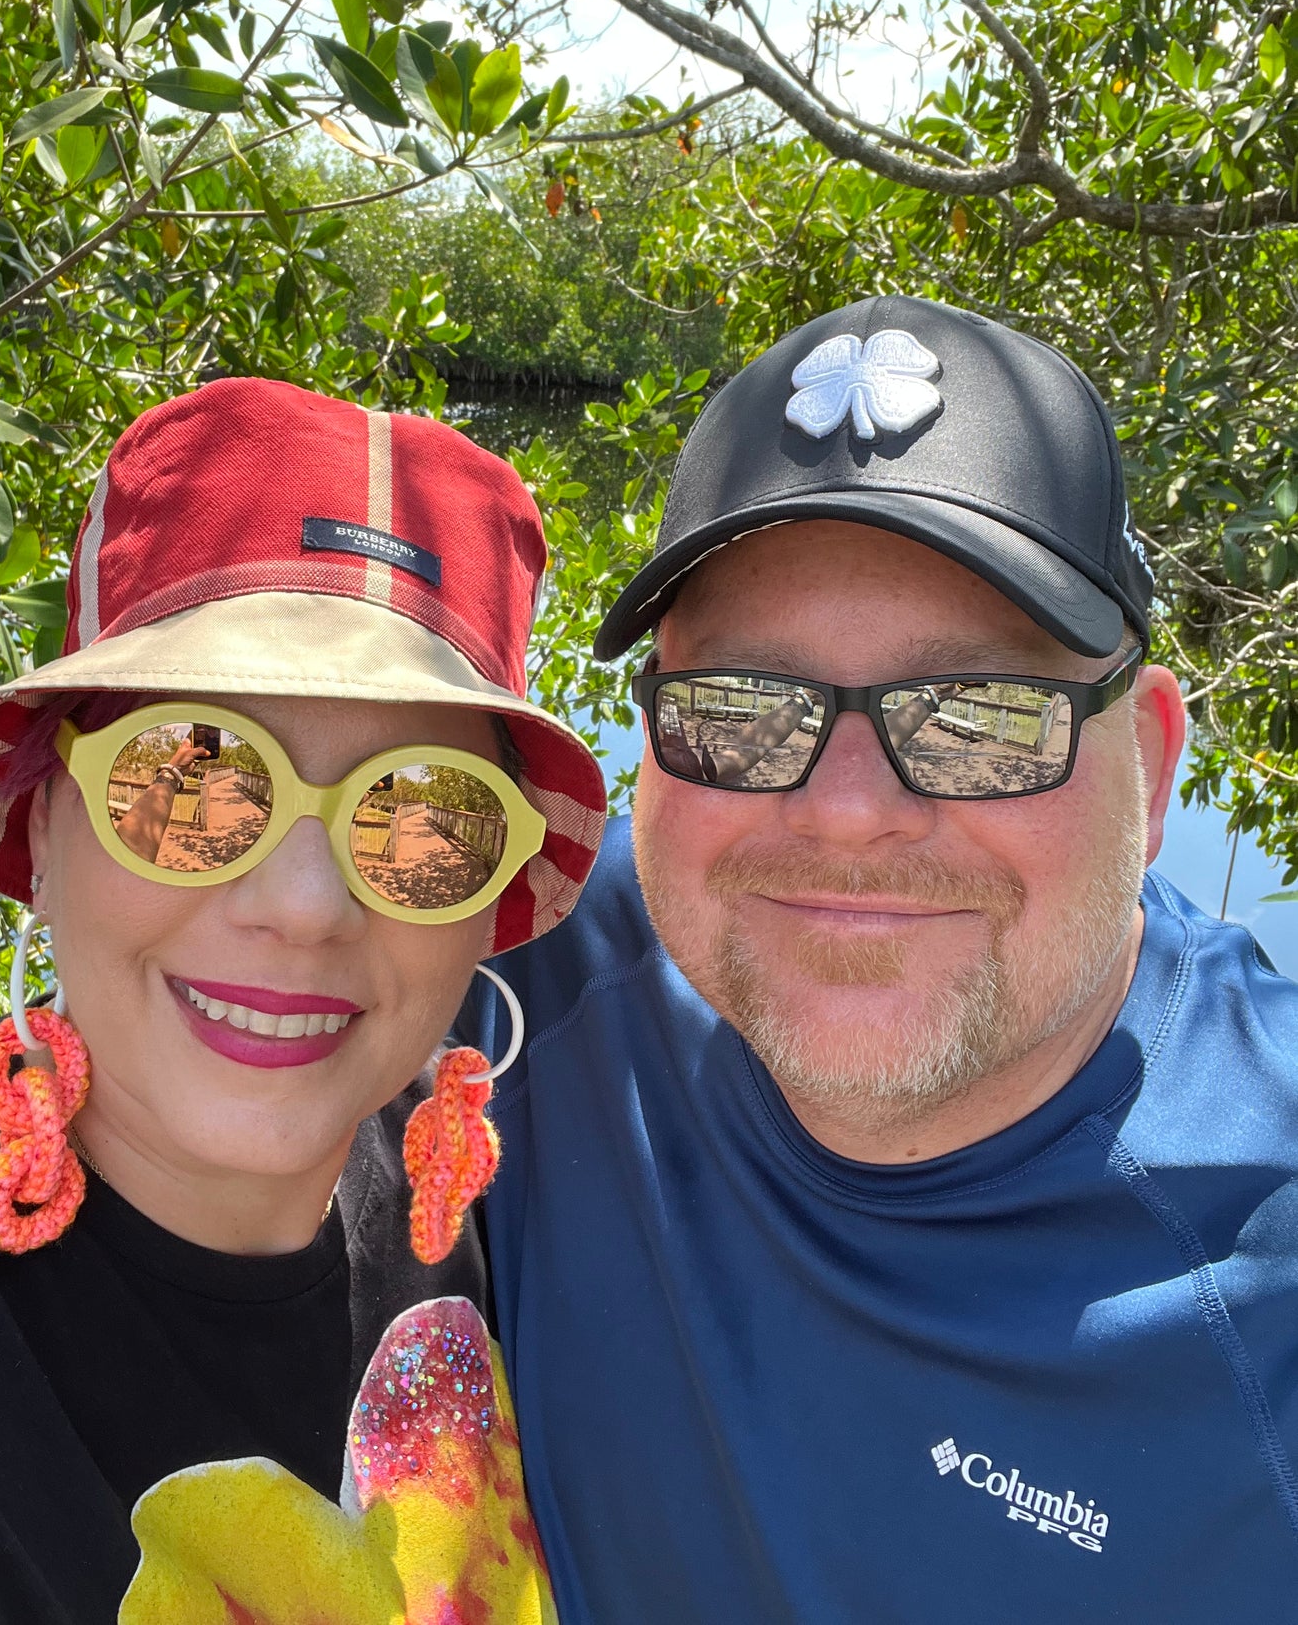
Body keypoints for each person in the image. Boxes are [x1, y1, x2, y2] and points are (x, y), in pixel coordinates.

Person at [472, 297, 1298, 1623]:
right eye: (742, 709)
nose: (847, 808)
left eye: (977, 714)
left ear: (1148, 763)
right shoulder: (527, 965)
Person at [0, 378, 605, 1624]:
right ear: (44, 823)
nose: (304, 905)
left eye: (423, 819)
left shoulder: (473, 1215)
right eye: (190, 779)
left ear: (485, 902)